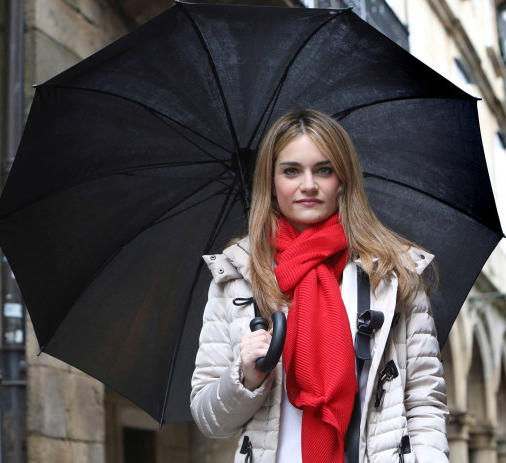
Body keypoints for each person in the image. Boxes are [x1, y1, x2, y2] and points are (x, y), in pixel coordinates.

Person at [190, 109, 449, 463]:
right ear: (271, 181)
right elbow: (210, 420)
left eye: (323, 170)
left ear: (343, 179)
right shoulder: (237, 275)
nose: (308, 184)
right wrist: (246, 376)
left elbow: (424, 401)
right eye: (291, 170)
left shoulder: (392, 273)